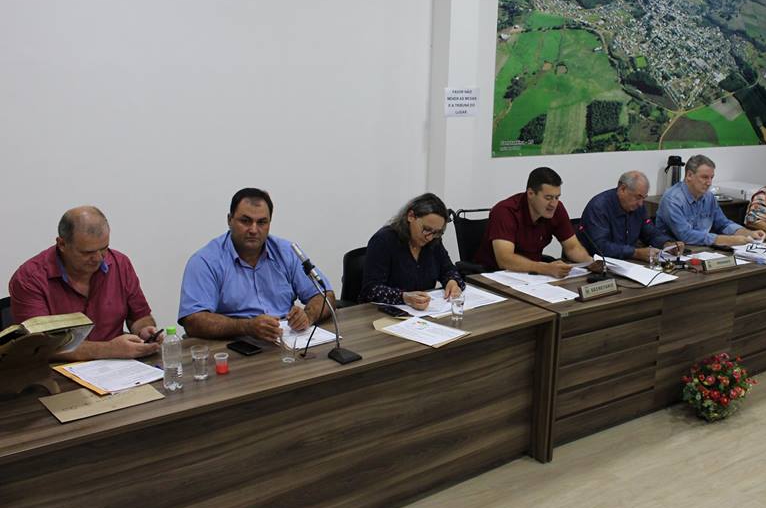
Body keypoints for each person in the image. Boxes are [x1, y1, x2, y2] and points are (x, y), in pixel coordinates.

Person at [178, 188, 334, 341]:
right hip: (234, 344)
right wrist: (246, 327)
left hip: (286, 341)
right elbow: (193, 320)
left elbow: (326, 295)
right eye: (245, 221)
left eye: (261, 222)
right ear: (229, 220)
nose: (253, 230)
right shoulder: (205, 261)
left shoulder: (287, 252)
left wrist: (307, 316)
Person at [8, 206, 161, 360]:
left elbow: (140, 316)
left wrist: (144, 330)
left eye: (104, 248)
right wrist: (109, 349)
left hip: (118, 366)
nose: (98, 258)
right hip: (57, 369)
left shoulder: (120, 264)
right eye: (87, 252)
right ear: (62, 244)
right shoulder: (29, 279)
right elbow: (38, 347)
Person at [474, 167, 598, 278]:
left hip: (533, 277)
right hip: (494, 276)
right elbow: (505, 259)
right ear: (531, 194)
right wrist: (546, 268)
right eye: (548, 198)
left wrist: (591, 262)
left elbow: (572, 248)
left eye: (557, 197)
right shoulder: (505, 211)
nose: (553, 204)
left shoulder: (557, 209)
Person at [360, 193, 465, 309]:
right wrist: (404, 297)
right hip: (382, 313)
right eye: (427, 229)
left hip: (423, 313)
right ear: (411, 216)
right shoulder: (384, 240)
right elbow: (370, 290)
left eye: (436, 232)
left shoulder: (434, 242)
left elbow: (448, 269)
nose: (429, 237)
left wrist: (452, 282)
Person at [655, 154, 766, 246]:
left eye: (711, 177)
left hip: (703, 249)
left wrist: (748, 233)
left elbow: (723, 224)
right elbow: (685, 235)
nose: (709, 183)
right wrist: (727, 240)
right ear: (689, 175)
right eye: (704, 177)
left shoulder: (709, 197)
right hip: (676, 251)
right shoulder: (672, 200)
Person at [580, 171, 684, 261]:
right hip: (596, 265)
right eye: (638, 197)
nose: (641, 204)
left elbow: (650, 232)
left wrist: (666, 244)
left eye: (644, 198)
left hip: (628, 263)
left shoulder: (637, 207)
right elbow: (600, 247)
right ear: (622, 189)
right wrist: (635, 253)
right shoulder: (599, 207)